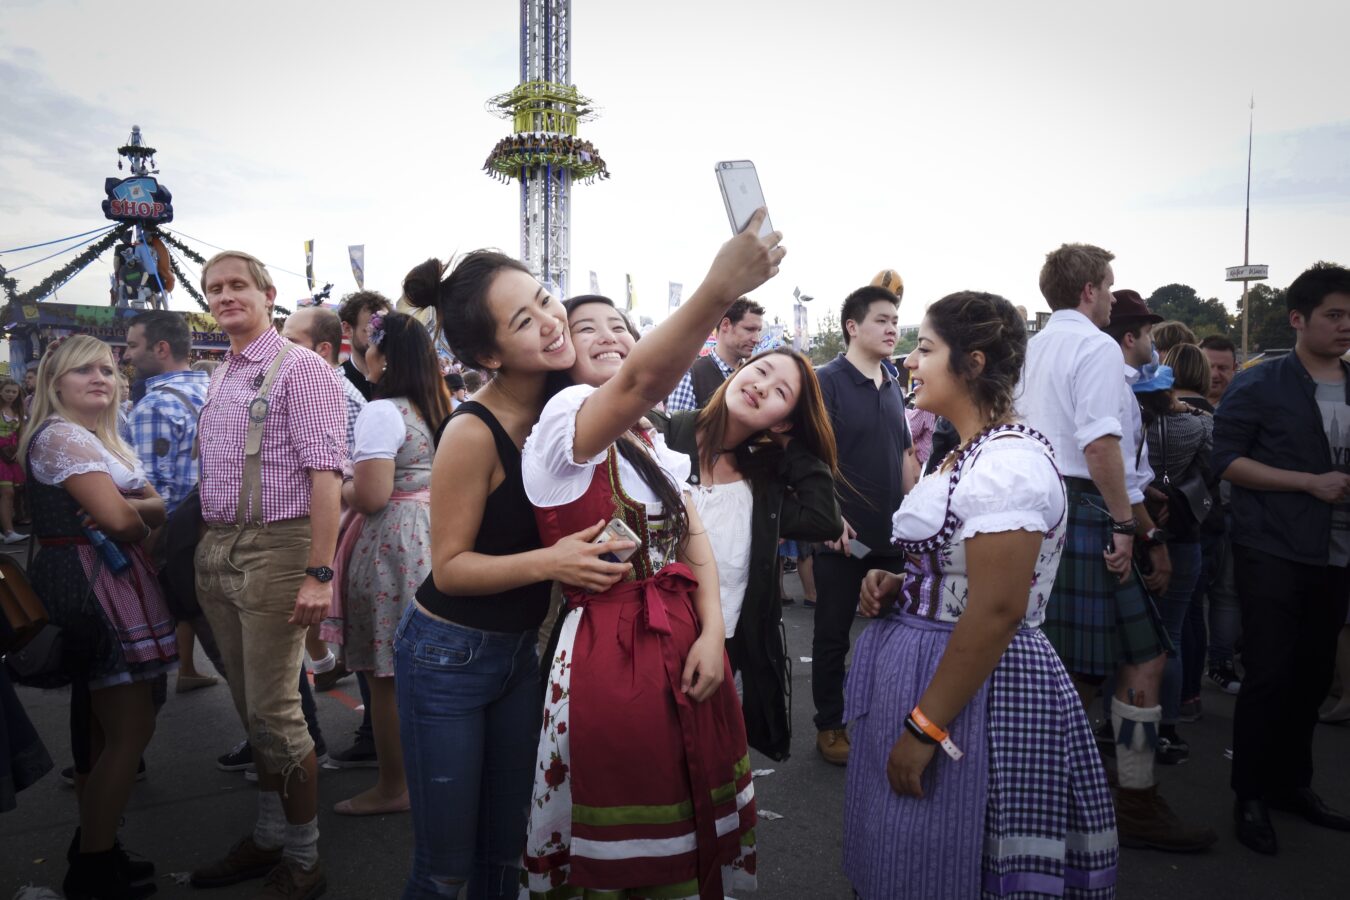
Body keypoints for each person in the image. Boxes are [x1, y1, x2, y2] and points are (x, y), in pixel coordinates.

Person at [521, 218, 782, 898]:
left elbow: (692, 535)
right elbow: (636, 382)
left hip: (684, 634)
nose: (609, 335)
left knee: (690, 807)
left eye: (620, 325)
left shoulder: (652, 440)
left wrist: (712, 635)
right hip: (611, 647)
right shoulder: (567, 420)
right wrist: (719, 288)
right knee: (625, 822)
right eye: (588, 329)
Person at [844, 291, 1117, 899]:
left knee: (955, 856)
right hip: (932, 667)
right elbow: (962, 574)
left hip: (976, 688)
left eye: (925, 347)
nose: (911, 361)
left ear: (970, 362)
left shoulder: (1008, 464)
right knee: (905, 845)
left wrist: (924, 731)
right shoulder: (968, 453)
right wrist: (903, 583)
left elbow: (996, 610)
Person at [395, 252, 626, 898]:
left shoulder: (570, 404)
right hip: (446, 658)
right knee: (445, 868)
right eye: (524, 321)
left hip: (522, 654)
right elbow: (450, 567)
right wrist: (555, 562)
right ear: (490, 356)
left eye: (547, 299)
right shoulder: (472, 431)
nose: (552, 322)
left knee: (509, 852)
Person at [1020, 244, 1214, 851]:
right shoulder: (1096, 346)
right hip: (1087, 510)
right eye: (1108, 286)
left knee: (1089, 667)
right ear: (1088, 291)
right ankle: (1113, 801)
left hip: (1046, 509)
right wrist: (1129, 527)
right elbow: (1100, 447)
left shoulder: (1030, 348)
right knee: (1111, 666)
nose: (1110, 296)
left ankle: (1076, 798)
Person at [189, 251, 345, 898]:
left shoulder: (302, 370)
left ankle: (303, 856)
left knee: (277, 712)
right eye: (214, 288)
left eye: (237, 286)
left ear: (268, 294)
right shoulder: (223, 371)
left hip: (280, 550)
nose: (225, 296)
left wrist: (319, 571)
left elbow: (326, 475)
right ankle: (267, 833)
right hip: (219, 547)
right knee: (250, 710)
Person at [18, 335, 176, 899]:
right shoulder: (61, 437)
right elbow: (130, 524)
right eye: (83, 370)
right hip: (94, 587)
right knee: (128, 731)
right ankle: (92, 867)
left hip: (104, 581)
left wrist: (131, 507)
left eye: (108, 369)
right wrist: (131, 510)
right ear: (54, 382)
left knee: (99, 730)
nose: (100, 378)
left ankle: (97, 846)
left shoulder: (93, 439)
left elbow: (155, 505)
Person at [1215, 262, 1350, 855]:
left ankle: (1295, 785)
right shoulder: (1261, 382)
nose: (1346, 326)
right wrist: (1307, 483)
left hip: (1337, 555)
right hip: (1272, 546)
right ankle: (1249, 793)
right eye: (1334, 315)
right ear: (1298, 319)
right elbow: (1226, 460)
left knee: (1314, 675)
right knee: (1268, 673)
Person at [657, 341, 842, 760]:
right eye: (762, 371)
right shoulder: (661, 435)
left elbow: (823, 519)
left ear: (783, 422)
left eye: (781, 393)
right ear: (739, 371)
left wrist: (792, 447)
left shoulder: (763, 481)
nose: (762, 387)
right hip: (646, 641)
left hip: (722, 649)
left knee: (702, 767)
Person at [329, 311, 452, 816]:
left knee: (386, 676)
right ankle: (439, 778)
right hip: (438, 534)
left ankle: (393, 786)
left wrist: (337, 485)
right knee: (432, 672)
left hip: (394, 541)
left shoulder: (384, 412)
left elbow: (374, 495)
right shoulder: (444, 409)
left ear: (381, 355)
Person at [811, 285, 918, 765]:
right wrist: (830, 517)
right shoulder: (826, 381)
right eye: (881, 319)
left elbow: (905, 454)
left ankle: (884, 718)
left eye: (895, 319)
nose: (892, 327)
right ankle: (830, 725)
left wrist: (919, 514)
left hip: (892, 535)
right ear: (852, 327)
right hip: (841, 537)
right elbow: (813, 458)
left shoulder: (894, 382)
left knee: (897, 633)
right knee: (833, 633)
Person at [121, 311, 217, 693]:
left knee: (229, 654)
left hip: (177, 544)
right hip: (220, 532)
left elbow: (152, 495)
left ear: (161, 348)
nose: (126, 356)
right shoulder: (214, 391)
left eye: (132, 345)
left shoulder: (153, 407)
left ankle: (279, 746)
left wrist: (141, 557)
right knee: (243, 652)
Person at [282, 306, 367, 693]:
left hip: (332, 522)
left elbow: (339, 475)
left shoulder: (336, 393)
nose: (279, 351)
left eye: (291, 342)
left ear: (322, 349)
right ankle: (325, 664)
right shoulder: (308, 385)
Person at [1132, 353, 1212, 765]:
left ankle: (1123, 729)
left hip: (1135, 533)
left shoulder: (1135, 426)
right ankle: (1169, 728)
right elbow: (1215, 470)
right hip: (1184, 533)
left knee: (1131, 642)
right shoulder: (1199, 423)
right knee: (1173, 637)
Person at [1162, 343, 1223, 723]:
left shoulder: (1148, 417)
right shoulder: (1206, 420)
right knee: (1184, 622)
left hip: (1148, 525)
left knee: (1151, 633)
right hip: (1192, 525)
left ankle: (1144, 715)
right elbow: (1217, 470)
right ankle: (1184, 701)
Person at [1198, 333, 1243, 694]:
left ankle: (1221, 662)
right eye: (1210, 366)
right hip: (1193, 517)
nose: (1216, 374)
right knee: (1193, 595)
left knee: (1227, 591)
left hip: (1233, 511)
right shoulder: (1180, 406)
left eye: (1223, 367)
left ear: (1235, 368)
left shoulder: (1246, 404)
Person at [665, 297, 765, 411]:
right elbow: (679, 427)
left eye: (759, 331)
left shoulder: (754, 376)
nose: (757, 339)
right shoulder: (691, 376)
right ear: (726, 325)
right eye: (749, 329)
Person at [338, 291, 393, 402]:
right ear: (347, 329)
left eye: (385, 330)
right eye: (370, 331)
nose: (381, 338)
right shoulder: (336, 382)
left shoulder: (401, 377)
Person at [0, 377, 28, 543]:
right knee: (7, 492)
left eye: (14, 392)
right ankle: (9, 532)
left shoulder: (18, 411)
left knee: (10, 493)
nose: (10, 394)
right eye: (7, 391)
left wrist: (19, 450)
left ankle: (8, 531)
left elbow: (22, 434)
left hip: (10, 455)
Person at [1201, 333, 1238, 409]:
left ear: (1234, 368)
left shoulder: (1246, 410)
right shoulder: (1176, 408)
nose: (1214, 374)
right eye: (1208, 367)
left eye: (1222, 368)